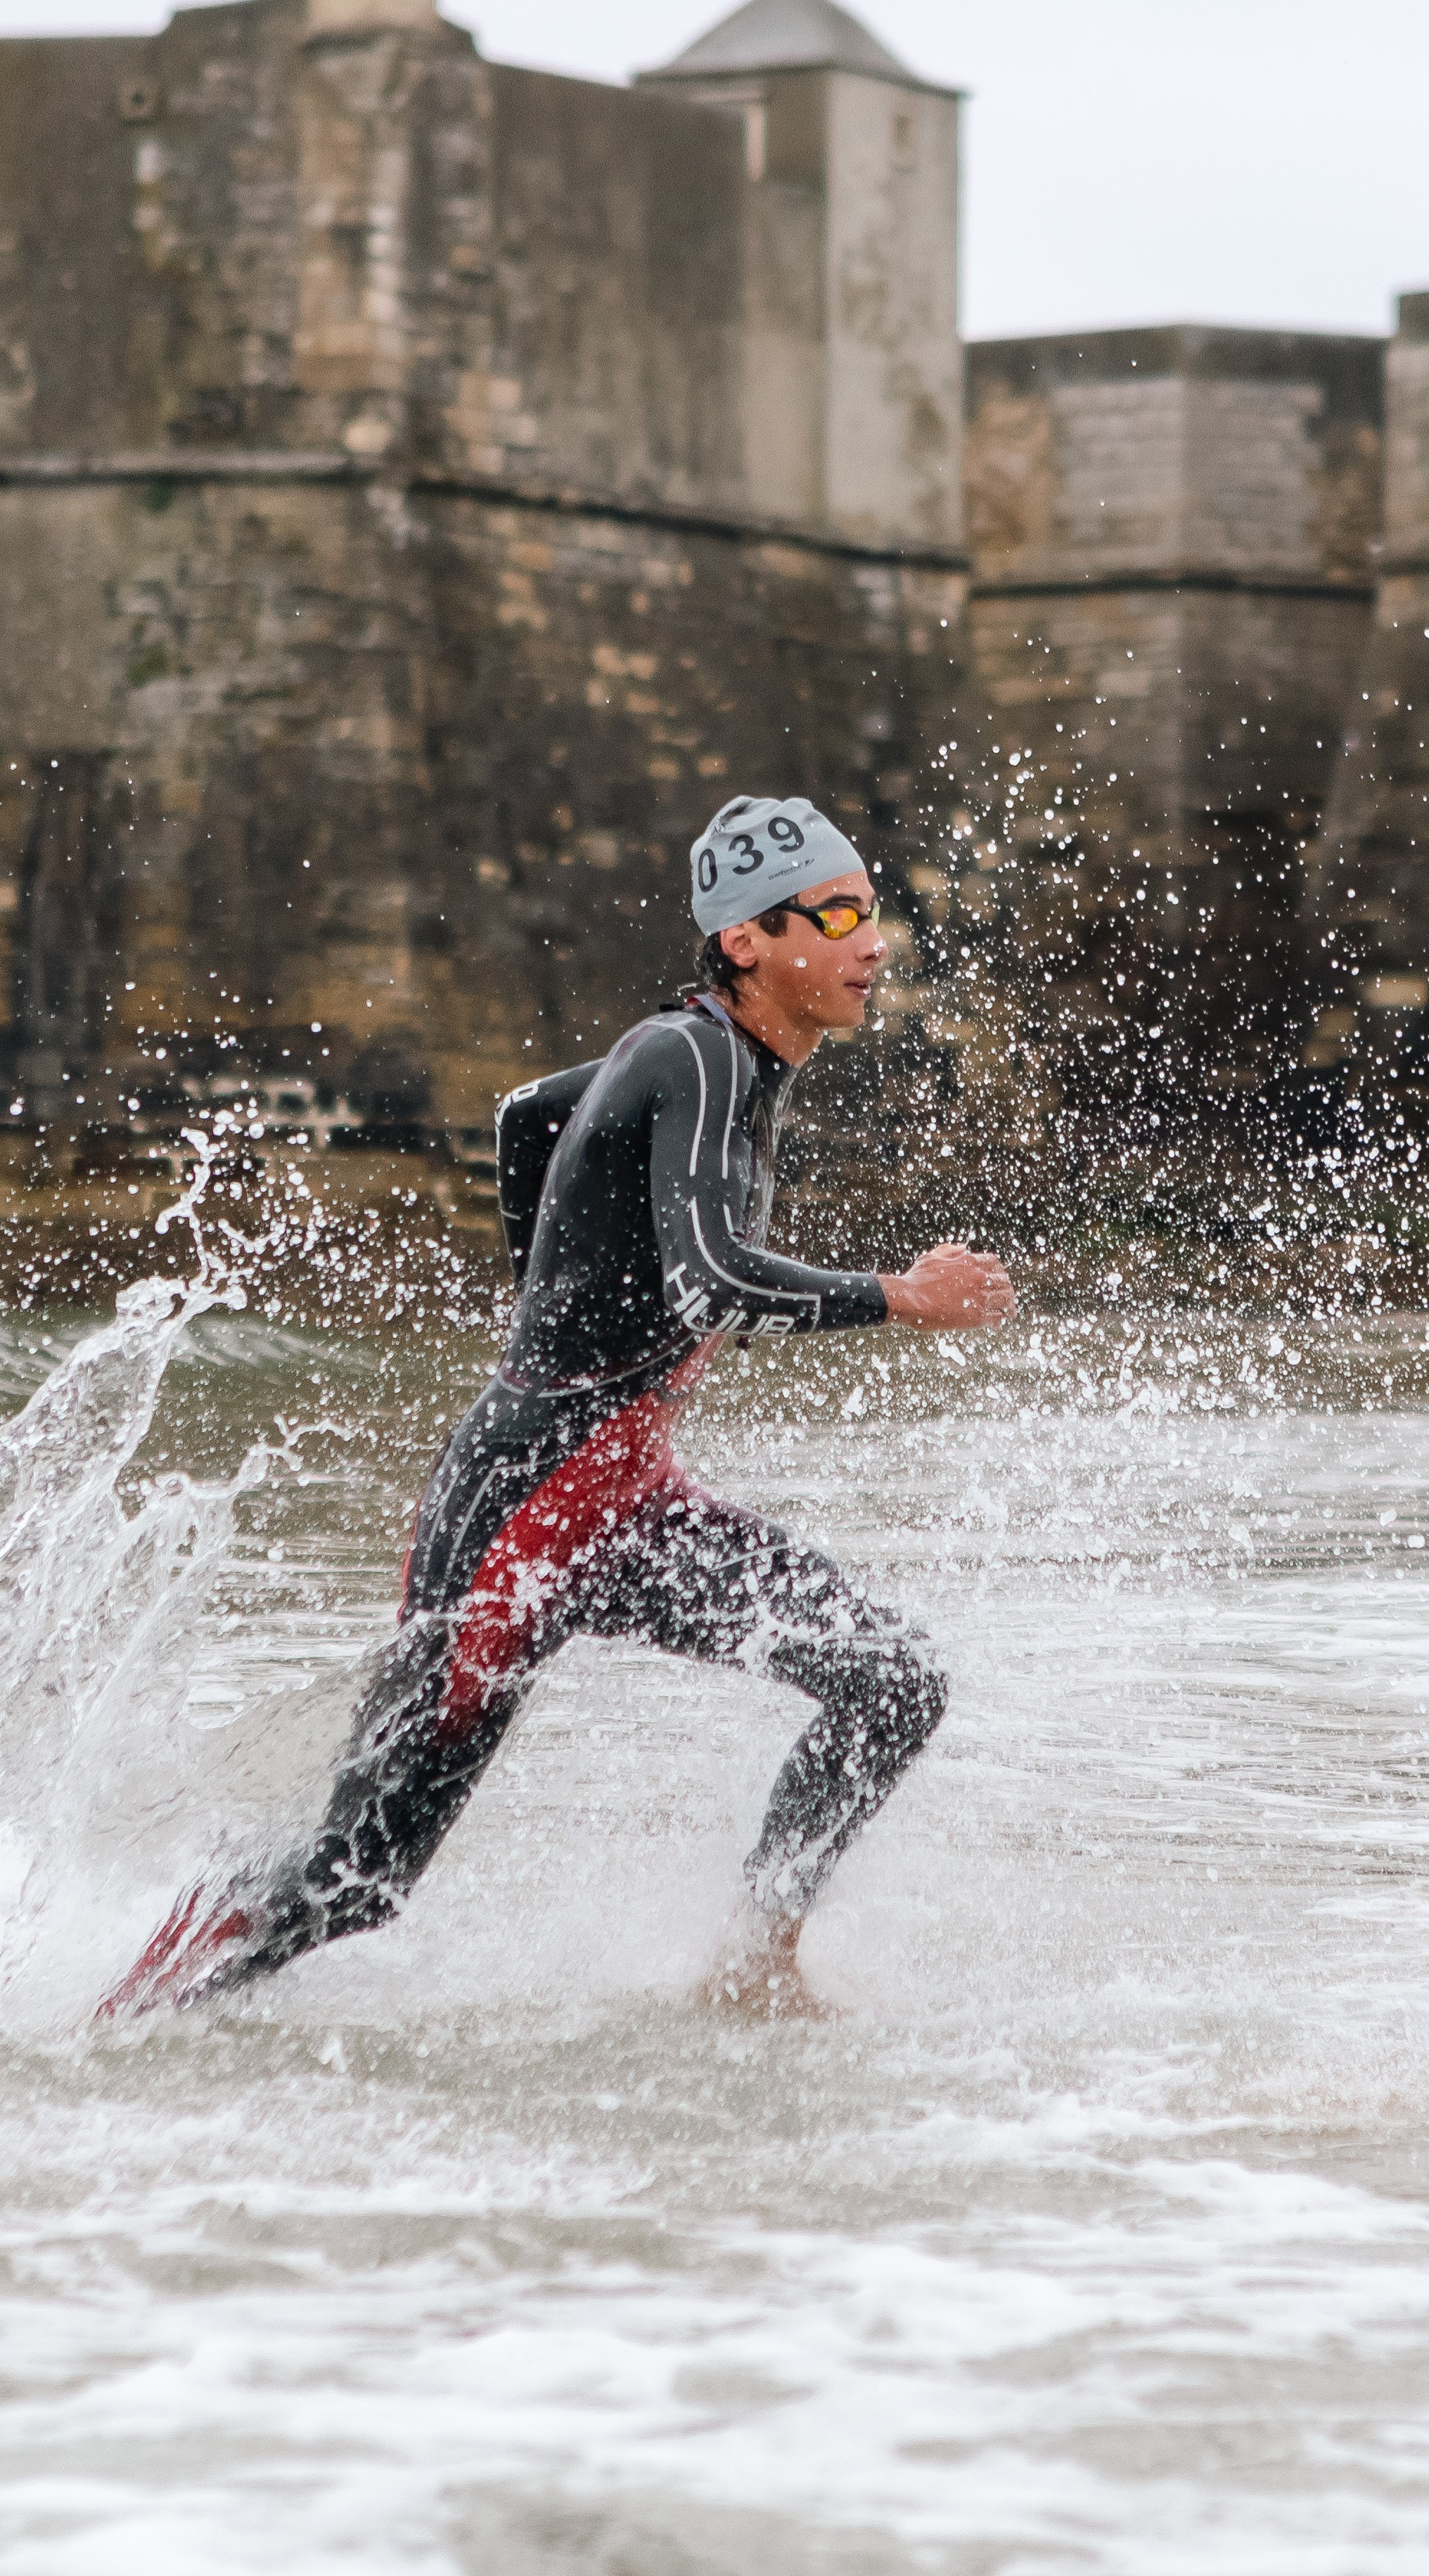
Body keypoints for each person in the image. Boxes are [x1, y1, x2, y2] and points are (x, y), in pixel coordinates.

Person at [101, 793, 1015, 2021]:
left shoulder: (726, 1059)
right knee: (361, 1875)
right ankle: (125, 2010)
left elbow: (528, 1114)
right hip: (522, 1518)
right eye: (838, 913)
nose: (871, 941)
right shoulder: (690, 1052)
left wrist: (556, 1304)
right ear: (746, 941)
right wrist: (897, 1297)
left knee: (889, 1680)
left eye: (871, 907)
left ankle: (753, 1964)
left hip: (622, 1495)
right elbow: (712, 1276)